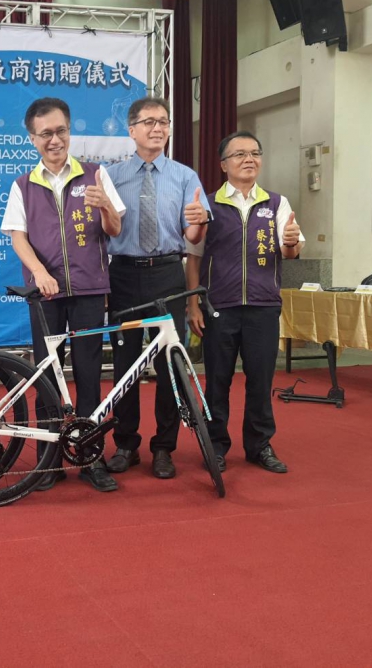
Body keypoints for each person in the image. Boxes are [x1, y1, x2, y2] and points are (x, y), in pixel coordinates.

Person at [1, 97, 126, 493]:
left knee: (89, 374)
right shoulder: (23, 184)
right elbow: (17, 236)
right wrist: (39, 272)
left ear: (69, 131)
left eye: (60, 131)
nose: (54, 140)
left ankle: (90, 457)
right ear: (32, 138)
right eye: (45, 134)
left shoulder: (95, 174)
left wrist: (105, 207)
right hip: (46, 296)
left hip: (89, 291)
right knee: (47, 377)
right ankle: (49, 461)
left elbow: (115, 229)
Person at [185, 130, 304, 474]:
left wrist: (291, 242)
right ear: (224, 164)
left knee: (260, 381)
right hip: (219, 307)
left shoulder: (277, 203)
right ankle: (215, 445)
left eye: (254, 153)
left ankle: (259, 445)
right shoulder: (208, 205)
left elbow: (290, 251)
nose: (249, 159)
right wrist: (193, 305)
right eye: (239, 154)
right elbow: (193, 257)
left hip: (263, 307)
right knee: (217, 381)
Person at [104, 97, 210, 480]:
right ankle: (126, 445)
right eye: (149, 122)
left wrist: (198, 222)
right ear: (131, 130)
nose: (157, 128)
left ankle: (164, 447)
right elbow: (103, 231)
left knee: (169, 365)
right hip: (124, 275)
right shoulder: (111, 176)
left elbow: (193, 236)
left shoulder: (185, 176)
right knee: (125, 366)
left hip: (168, 274)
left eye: (163, 122)